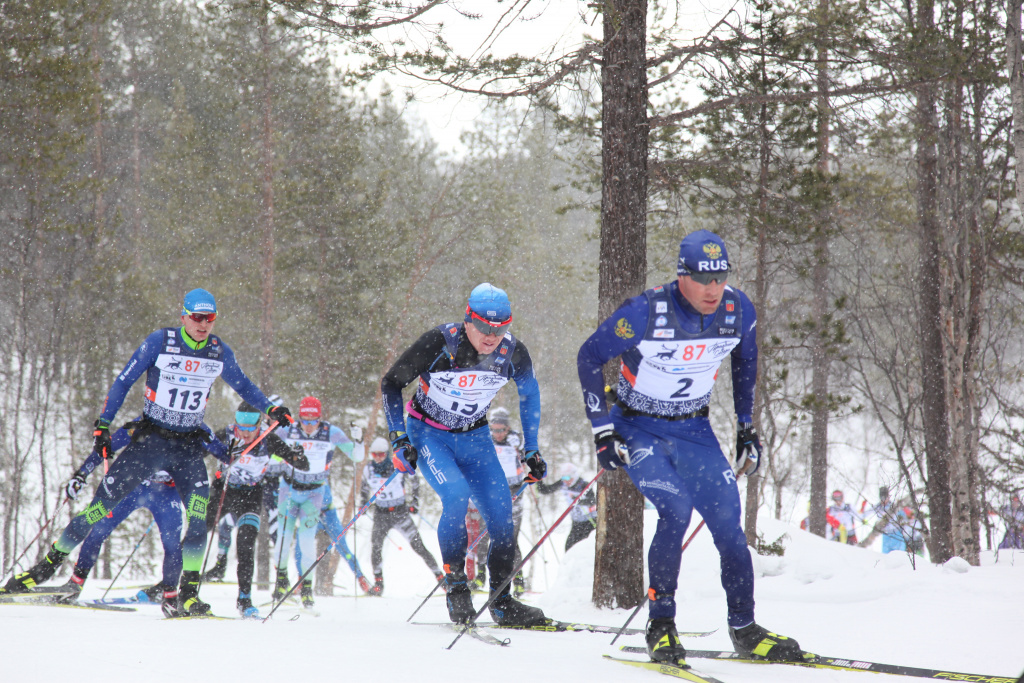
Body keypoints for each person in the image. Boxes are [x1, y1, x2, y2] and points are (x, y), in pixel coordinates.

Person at [576, 230, 804, 666]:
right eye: (703, 279)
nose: (713, 289)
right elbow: (589, 356)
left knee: (729, 526)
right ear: (683, 275)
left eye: (720, 278)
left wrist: (745, 427)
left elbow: (747, 361)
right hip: (637, 426)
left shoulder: (738, 310)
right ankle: (661, 625)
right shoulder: (645, 311)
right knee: (675, 509)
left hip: (693, 429)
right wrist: (602, 430)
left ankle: (745, 628)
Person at [1, 288, 292, 617]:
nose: (203, 324)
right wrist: (103, 425)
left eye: (209, 318)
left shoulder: (218, 351)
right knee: (98, 512)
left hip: (187, 450)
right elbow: (123, 381)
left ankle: (188, 595)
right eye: (196, 317)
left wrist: (271, 408)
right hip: (150, 442)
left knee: (198, 521)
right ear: (183, 316)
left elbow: (244, 385)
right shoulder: (160, 341)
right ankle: (44, 569)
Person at [380, 283, 548, 626]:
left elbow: (530, 394)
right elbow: (391, 383)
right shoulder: (439, 343)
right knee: (456, 497)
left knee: (503, 517)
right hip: (429, 436)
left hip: (475, 439)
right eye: (484, 327)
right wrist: (399, 439)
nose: (491, 336)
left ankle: (502, 602)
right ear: (468, 320)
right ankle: (457, 590)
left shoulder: (513, 353)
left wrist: (531, 449)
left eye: (500, 327)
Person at [60, 420, 229, 603]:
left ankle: (170, 597)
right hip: (136, 487)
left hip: (166, 493)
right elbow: (107, 446)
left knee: (172, 545)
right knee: (100, 529)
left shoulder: (197, 428)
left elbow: (223, 454)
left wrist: (232, 456)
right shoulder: (146, 422)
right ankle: (74, 585)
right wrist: (82, 473)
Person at [205, 402, 309, 617]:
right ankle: (169, 587)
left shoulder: (268, 438)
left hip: (250, 496)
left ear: (259, 425)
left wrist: (298, 456)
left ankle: (244, 599)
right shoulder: (226, 433)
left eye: (249, 430)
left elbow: (301, 464)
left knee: (245, 543)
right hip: (223, 491)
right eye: (240, 428)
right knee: (197, 532)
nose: (244, 434)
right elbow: (200, 452)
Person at [272, 395, 362, 608]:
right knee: (283, 539)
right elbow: (270, 454)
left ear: (320, 418)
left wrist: (358, 441)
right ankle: (282, 581)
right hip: (289, 490)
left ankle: (307, 589)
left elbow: (357, 457)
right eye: (305, 421)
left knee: (306, 542)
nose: (309, 426)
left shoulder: (331, 432)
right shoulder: (288, 430)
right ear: (299, 417)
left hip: (314, 494)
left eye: (314, 421)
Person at [361, 437, 444, 595]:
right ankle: (379, 584)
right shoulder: (368, 469)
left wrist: (414, 502)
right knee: (376, 547)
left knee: (418, 546)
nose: (377, 457)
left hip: (399, 512)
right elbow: (364, 488)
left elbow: (415, 482)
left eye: (381, 454)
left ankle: (441, 578)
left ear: (386, 453)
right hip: (381, 513)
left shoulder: (397, 466)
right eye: (374, 454)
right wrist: (363, 503)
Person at [467, 408, 528, 594]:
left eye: (501, 430)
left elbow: (529, 461)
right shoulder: (485, 440)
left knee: (509, 538)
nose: (497, 434)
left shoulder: (517, 440)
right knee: (485, 536)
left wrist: (521, 450)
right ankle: (480, 577)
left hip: (514, 493)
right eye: (494, 429)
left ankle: (517, 579)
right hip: (492, 492)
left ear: (508, 428)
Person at [537, 463, 597, 552]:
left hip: (590, 522)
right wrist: (538, 477)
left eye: (568, 478)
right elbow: (544, 490)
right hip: (576, 523)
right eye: (563, 478)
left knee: (587, 549)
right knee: (569, 548)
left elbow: (593, 501)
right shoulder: (563, 484)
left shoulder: (583, 485)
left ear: (574, 476)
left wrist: (578, 500)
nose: (565, 481)